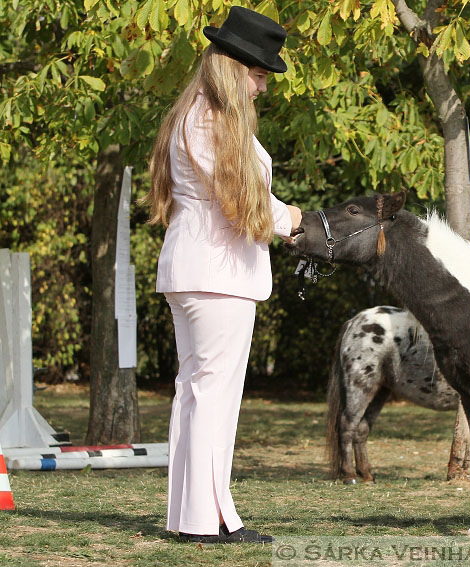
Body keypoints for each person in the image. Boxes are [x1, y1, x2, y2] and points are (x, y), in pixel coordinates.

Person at [141, 6, 301, 544]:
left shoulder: (194, 116)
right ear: (235, 68)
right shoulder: (211, 121)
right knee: (212, 397)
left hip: (196, 270)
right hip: (217, 273)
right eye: (259, 74)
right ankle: (211, 518)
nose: (262, 87)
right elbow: (243, 199)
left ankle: (190, 518)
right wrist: (293, 221)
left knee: (194, 395)